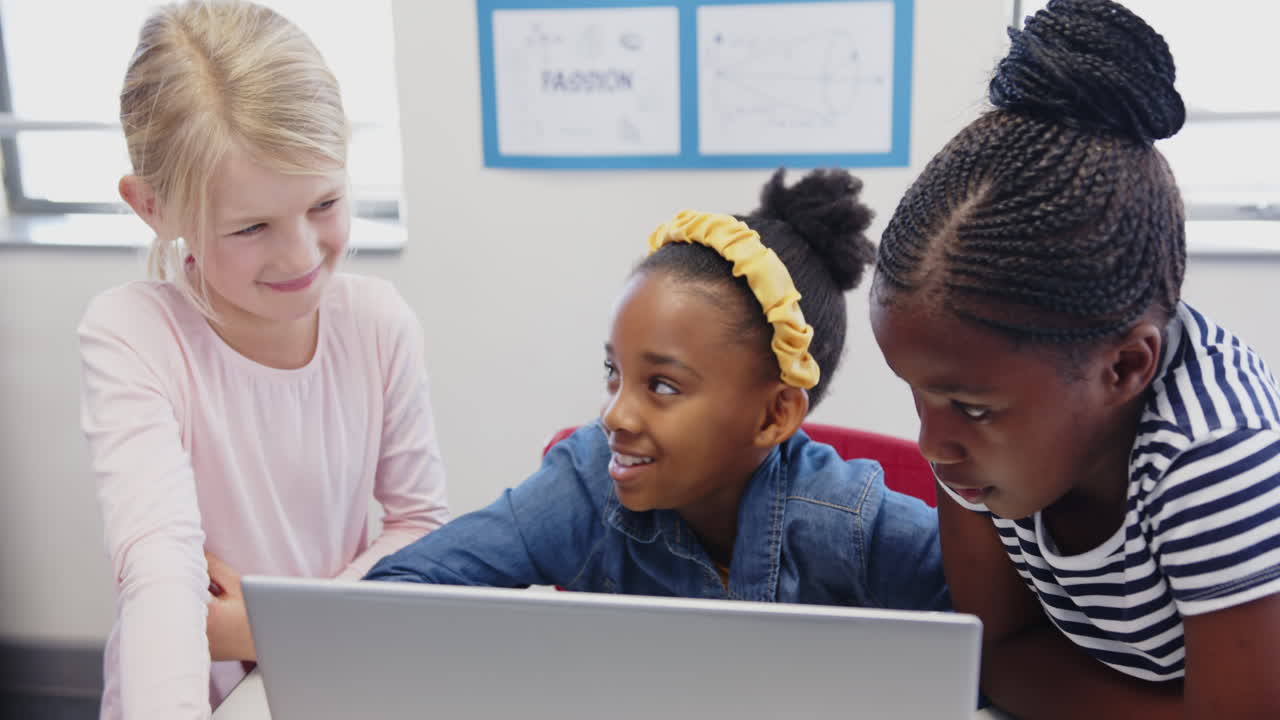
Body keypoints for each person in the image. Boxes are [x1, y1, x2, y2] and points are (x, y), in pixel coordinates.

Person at [868, 0, 1280, 717]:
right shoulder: (976, 449)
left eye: (970, 407)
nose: (932, 444)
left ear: (1124, 369)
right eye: (917, 393)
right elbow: (997, 656)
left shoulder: (1218, 456)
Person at [77, 2, 449, 718]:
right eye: (251, 227)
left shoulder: (377, 323)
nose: (302, 256)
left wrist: (275, 628)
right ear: (153, 206)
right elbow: (158, 563)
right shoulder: (132, 334)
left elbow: (421, 530)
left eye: (325, 202)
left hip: (332, 675)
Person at [366, 168, 947, 612]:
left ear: (774, 416)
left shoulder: (844, 519)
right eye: (613, 373)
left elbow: (1007, 628)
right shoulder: (588, 482)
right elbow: (394, 595)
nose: (615, 415)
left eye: (663, 385)